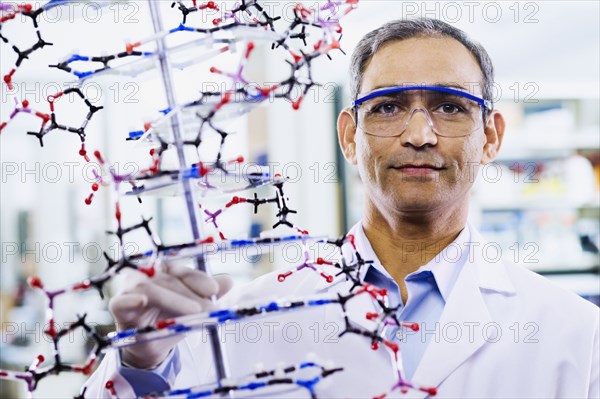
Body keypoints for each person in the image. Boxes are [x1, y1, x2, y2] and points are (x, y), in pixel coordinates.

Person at [84, 18, 599, 398]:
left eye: (450, 107)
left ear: (490, 137)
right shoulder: (250, 318)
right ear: (350, 137)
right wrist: (142, 360)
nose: (419, 135)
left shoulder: (575, 333)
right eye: (389, 107)